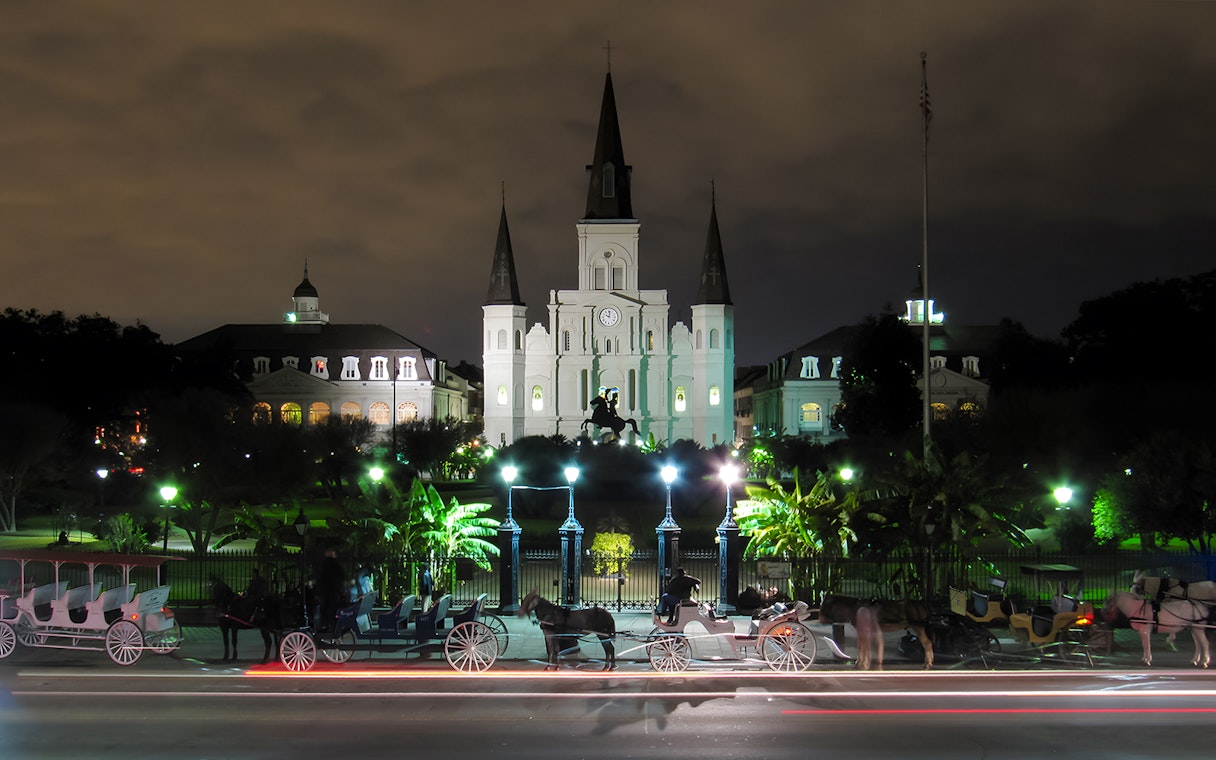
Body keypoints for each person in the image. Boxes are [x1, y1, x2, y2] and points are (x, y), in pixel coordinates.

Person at [315, 548, 345, 632]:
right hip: (334, 591)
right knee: (333, 610)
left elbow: (320, 578)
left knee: (326, 609)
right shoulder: (335, 564)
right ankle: (333, 625)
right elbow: (341, 576)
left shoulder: (324, 564)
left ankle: (326, 626)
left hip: (326, 592)